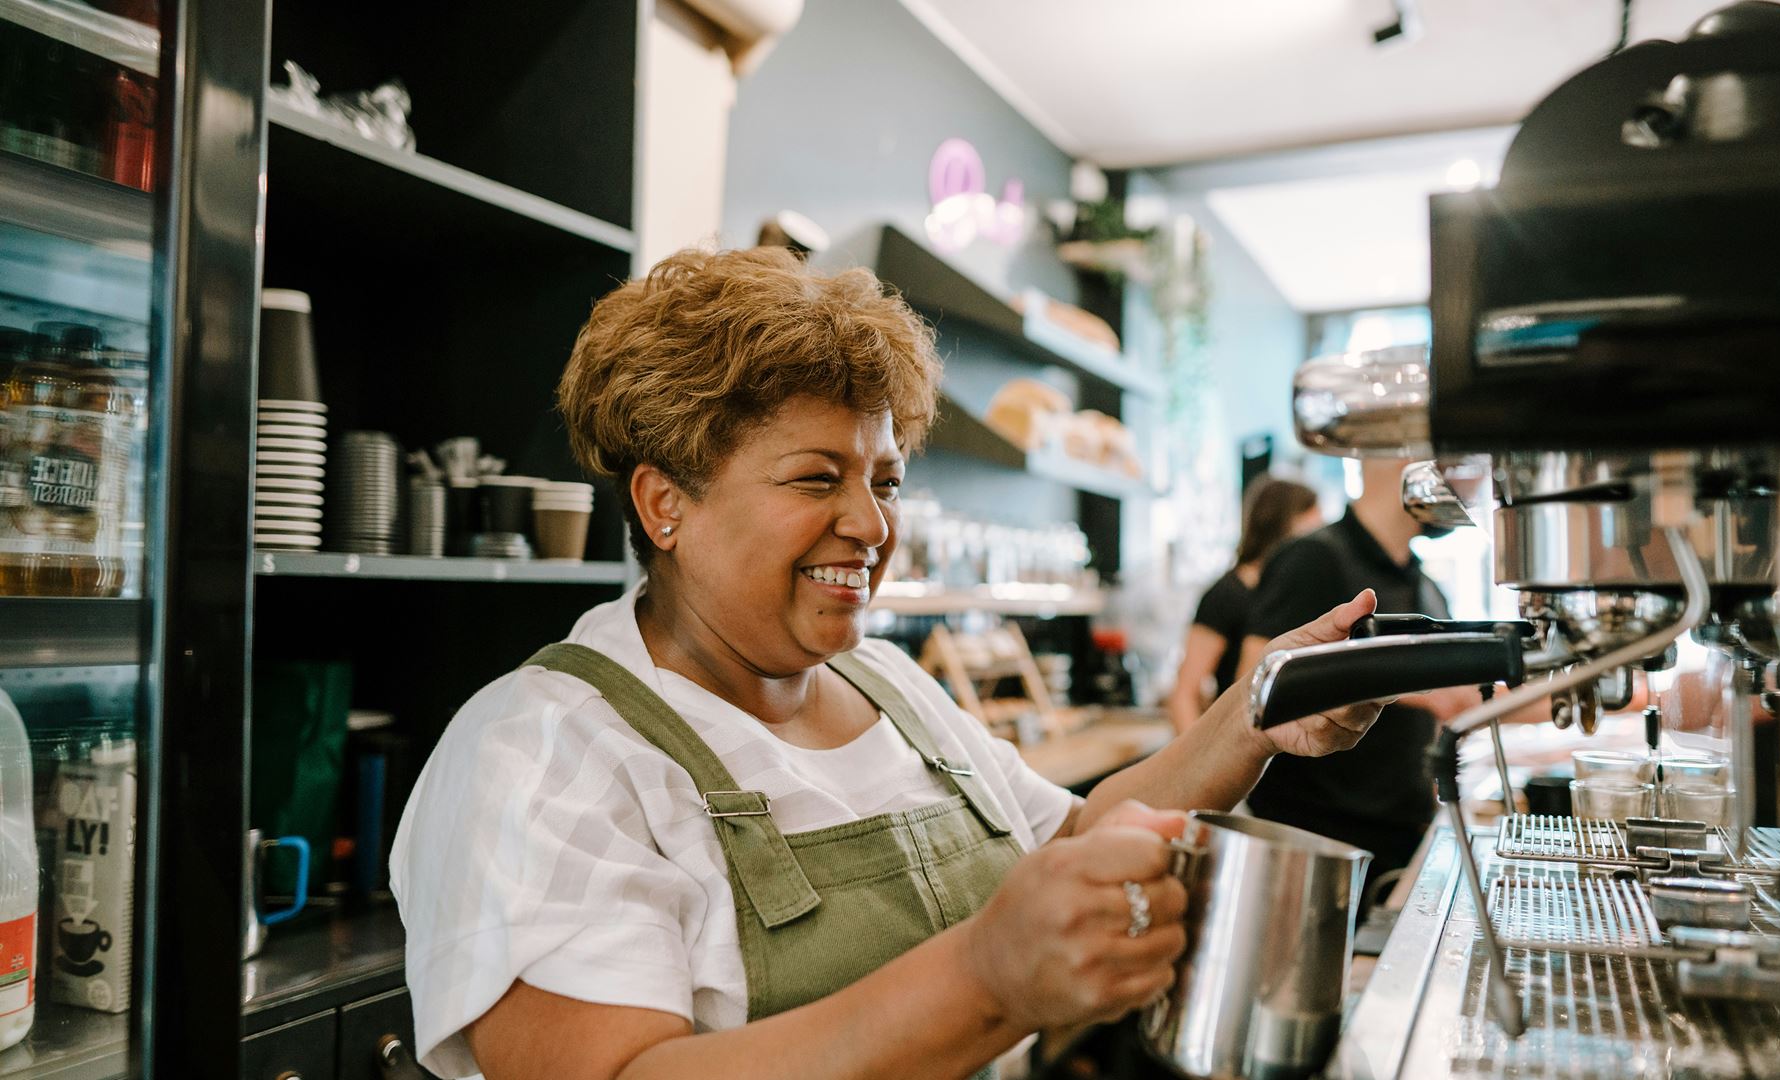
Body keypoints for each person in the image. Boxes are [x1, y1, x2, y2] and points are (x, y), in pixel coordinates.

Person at [390, 247, 1393, 1080]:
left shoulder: (889, 686)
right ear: (666, 505)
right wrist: (984, 979)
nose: (871, 525)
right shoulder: (541, 754)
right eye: (815, 478)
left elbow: (1068, 838)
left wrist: (1254, 713)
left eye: (885, 479)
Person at [1237, 458, 1477, 888]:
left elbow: (1461, 696)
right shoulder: (1312, 558)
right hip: (1315, 849)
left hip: (1402, 838)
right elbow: (1252, 689)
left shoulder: (1426, 586)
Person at [1168, 478, 1321, 733]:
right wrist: (1205, 767)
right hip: (1244, 743)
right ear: (1281, 525)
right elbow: (1185, 694)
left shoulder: (1298, 593)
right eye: (1311, 530)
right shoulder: (1227, 594)